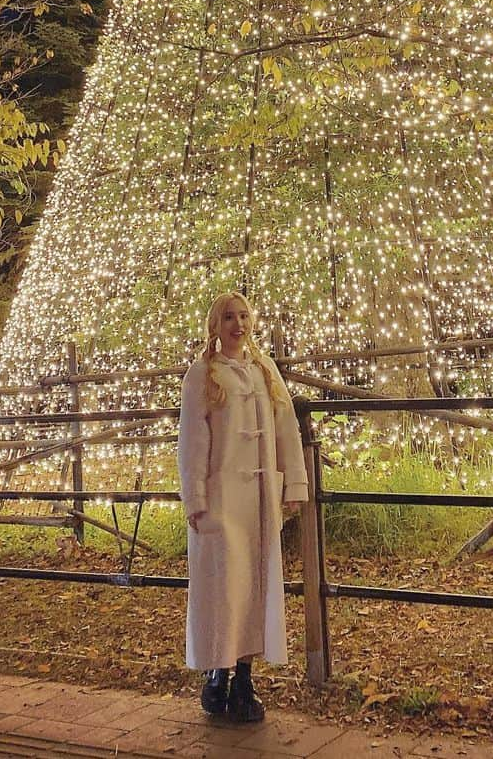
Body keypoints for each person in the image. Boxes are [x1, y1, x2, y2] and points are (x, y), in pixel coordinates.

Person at [177, 291, 307, 723]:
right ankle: (217, 671)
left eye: (245, 315)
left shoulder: (264, 370)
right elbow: (193, 441)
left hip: (260, 501)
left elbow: (286, 427)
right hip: (220, 500)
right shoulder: (203, 374)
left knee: (256, 586)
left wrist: (294, 484)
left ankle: (246, 677)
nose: (239, 324)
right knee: (221, 588)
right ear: (216, 324)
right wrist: (194, 498)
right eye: (229, 317)